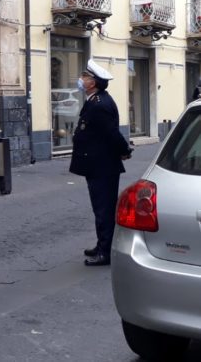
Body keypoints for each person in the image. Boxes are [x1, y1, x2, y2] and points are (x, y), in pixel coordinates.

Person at [69, 59, 133, 267]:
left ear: (92, 83)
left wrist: (124, 150)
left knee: (103, 209)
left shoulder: (100, 105)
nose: (81, 79)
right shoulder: (97, 100)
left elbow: (111, 133)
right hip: (98, 164)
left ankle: (105, 252)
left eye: (85, 77)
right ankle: (102, 244)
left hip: (102, 166)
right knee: (101, 208)